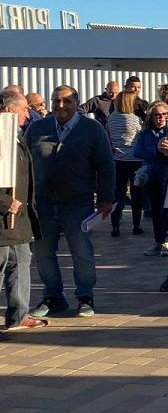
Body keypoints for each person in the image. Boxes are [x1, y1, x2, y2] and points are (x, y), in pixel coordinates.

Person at [27, 86, 115, 319]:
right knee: (43, 253)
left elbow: (106, 164)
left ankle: (85, 297)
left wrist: (107, 198)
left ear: (77, 103)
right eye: (56, 101)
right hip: (43, 203)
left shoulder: (92, 129)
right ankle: (53, 297)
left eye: (67, 101)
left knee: (81, 252)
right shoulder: (37, 128)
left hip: (78, 203)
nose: (61, 106)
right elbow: (23, 164)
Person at [0, 91, 43, 334]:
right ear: (8, 110)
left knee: (21, 262)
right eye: (24, 109)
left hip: (21, 218)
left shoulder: (16, 136)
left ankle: (19, 315)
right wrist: (5, 203)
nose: (28, 114)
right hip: (4, 216)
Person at [134, 102, 168, 287]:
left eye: (164, 114)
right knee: (156, 211)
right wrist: (156, 150)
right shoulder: (145, 134)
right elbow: (138, 152)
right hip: (152, 176)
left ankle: (167, 241)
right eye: (157, 115)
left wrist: (166, 151)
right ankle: (158, 241)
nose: (161, 118)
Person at [107, 90, 145, 238]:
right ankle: (136, 225)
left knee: (118, 194)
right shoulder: (134, 119)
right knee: (137, 195)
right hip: (135, 160)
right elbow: (141, 136)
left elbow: (108, 136)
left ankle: (115, 225)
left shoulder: (111, 118)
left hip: (117, 160)